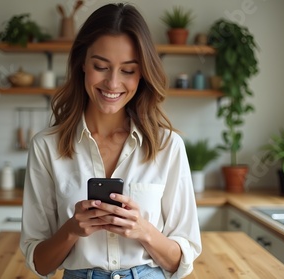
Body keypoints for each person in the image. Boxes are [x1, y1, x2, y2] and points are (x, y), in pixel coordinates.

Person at [20, 3, 201, 279]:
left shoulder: (168, 146)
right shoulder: (46, 147)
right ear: (83, 63)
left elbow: (180, 262)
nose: (113, 83)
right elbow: (40, 263)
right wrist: (71, 230)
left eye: (128, 70)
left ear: (142, 74)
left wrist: (143, 230)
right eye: (101, 67)